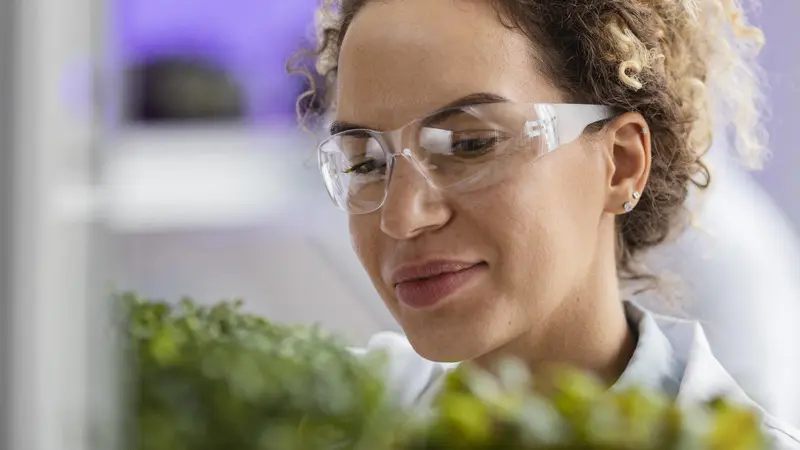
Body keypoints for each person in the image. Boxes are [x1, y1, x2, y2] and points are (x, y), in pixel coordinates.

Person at [293, 0, 800, 446]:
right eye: (367, 163)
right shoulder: (323, 422)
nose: (401, 218)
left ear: (621, 164)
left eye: (470, 145)